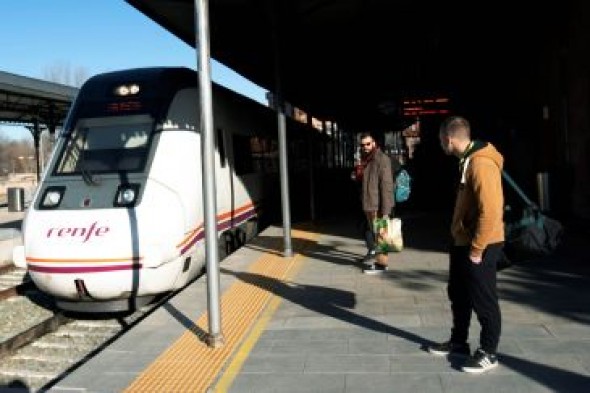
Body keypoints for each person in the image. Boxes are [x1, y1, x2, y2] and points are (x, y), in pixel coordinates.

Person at [428, 116, 505, 373]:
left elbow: (491, 211)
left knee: (484, 298)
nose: (441, 144)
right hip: (463, 241)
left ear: (449, 139)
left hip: (481, 244)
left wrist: (477, 249)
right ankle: (459, 341)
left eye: (441, 140)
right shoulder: (467, 160)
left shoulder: (481, 163)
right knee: (459, 294)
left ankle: (489, 352)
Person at [351, 132, 395, 274]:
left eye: (368, 144)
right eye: (362, 145)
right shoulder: (366, 159)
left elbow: (387, 186)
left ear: (374, 143)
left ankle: (382, 265)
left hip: (378, 206)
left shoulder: (382, 159)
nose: (365, 147)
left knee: (381, 236)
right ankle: (379, 262)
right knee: (376, 235)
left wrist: (386, 211)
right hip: (369, 204)